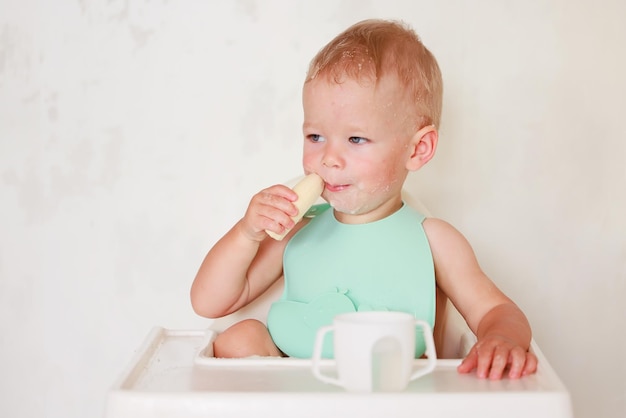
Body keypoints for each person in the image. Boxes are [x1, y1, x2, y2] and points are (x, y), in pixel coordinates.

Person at [191, 19, 537, 380]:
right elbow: (210, 302)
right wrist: (248, 233)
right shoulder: (299, 231)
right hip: (298, 391)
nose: (329, 158)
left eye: (355, 139)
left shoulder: (434, 240)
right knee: (239, 338)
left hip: (391, 395)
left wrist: (500, 337)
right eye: (315, 136)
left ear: (418, 149)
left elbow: (495, 309)